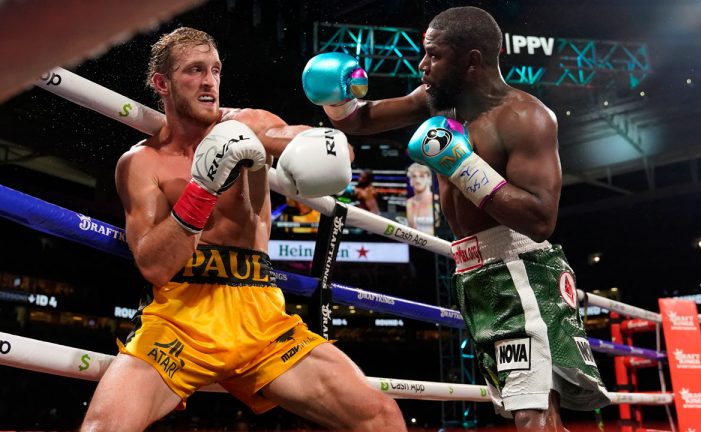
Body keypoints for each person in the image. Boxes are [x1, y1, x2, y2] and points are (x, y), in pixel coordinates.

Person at [80, 27, 404, 432]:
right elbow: (154, 266)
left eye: (215, 70)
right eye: (194, 70)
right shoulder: (141, 163)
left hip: (262, 319)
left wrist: (327, 144)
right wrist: (202, 188)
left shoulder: (247, 124)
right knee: (102, 429)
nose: (209, 82)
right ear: (161, 83)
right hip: (180, 320)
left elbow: (306, 141)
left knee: (381, 416)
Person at [303, 6, 609, 431]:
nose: (422, 65)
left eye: (434, 56)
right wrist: (337, 98)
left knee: (530, 408)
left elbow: (540, 219)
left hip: (521, 270)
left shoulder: (525, 117)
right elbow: (363, 119)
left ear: (471, 61)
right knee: (533, 404)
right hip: (475, 273)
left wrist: (462, 164)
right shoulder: (435, 102)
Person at [405, 163, 438, 235]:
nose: (417, 180)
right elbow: (411, 229)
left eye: (422, 176)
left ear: (429, 178)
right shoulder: (410, 202)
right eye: (414, 176)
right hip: (416, 244)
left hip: (436, 243)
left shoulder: (437, 200)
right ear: (410, 180)